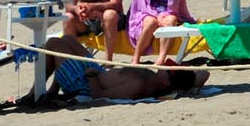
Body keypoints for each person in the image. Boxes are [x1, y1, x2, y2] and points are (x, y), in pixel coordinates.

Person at [41, 34, 209, 101]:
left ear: (166, 80)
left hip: (86, 83)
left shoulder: (140, 85)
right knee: (69, 39)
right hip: (98, 72)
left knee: (53, 43)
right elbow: (205, 74)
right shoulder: (162, 80)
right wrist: (189, 79)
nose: (165, 64)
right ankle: (52, 90)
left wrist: (91, 76)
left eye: (168, 68)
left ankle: (39, 92)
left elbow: (99, 95)